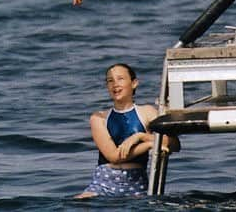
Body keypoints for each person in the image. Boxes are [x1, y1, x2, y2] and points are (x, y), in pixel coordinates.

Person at [74, 63, 181, 199]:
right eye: (110, 81)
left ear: (134, 83)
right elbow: (114, 156)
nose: (115, 84)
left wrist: (140, 137)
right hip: (104, 183)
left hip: (136, 184)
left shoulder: (147, 112)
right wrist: (148, 145)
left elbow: (174, 144)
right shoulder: (99, 118)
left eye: (120, 79)